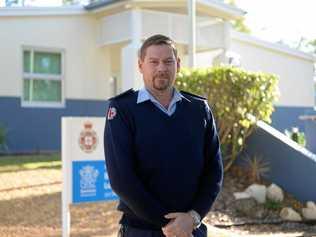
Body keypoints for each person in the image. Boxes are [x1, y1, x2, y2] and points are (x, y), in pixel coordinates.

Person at [104, 34, 223, 237]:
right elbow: (122, 179)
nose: (161, 68)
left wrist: (193, 217)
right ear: (141, 66)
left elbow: (214, 171)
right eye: (153, 62)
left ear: (178, 64)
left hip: (191, 228)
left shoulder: (198, 109)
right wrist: (171, 224)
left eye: (168, 61)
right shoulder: (123, 109)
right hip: (141, 231)